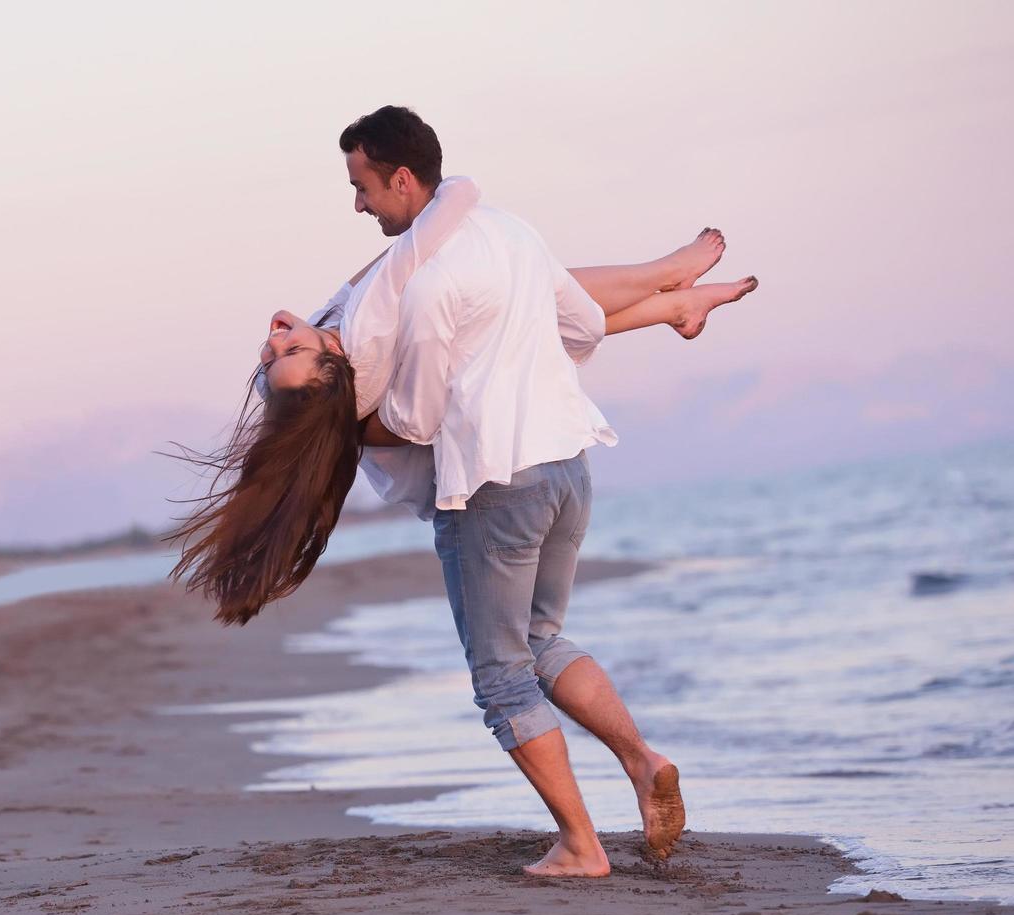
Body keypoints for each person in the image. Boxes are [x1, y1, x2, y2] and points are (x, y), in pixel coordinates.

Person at [167, 105, 758, 874]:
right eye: (285, 347)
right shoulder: (497, 233)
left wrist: (356, 406)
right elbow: (568, 330)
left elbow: (417, 411)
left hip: (495, 483)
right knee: (538, 644)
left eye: (360, 186)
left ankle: (582, 847)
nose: (357, 203)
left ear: (400, 179)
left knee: (500, 677)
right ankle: (643, 763)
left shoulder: (406, 292)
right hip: (565, 466)